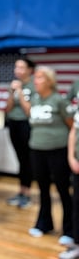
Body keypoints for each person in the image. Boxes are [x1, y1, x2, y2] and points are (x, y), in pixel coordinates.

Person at [26, 66, 74, 247]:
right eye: (35, 78)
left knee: (62, 189)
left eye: (39, 78)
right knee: (43, 188)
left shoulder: (59, 100)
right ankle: (44, 223)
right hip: (37, 149)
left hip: (57, 151)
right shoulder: (36, 99)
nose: (35, 81)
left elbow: (71, 125)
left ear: (49, 81)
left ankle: (69, 229)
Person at [4, 57, 35, 208]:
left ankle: (27, 192)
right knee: (20, 158)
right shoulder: (14, 85)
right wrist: (12, 93)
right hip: (13, 123)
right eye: (16, 67)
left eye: (22, 67)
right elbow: (8, 109)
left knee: (26, 159)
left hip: (27, 124)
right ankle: (21, 191)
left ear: (30, 70)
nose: (18, 71)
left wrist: (21, 92)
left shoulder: (33, 85)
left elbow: (30, 111)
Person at [62, 104, 79, 259]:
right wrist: (71, 157)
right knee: (77, 203)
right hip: (77, 164)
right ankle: (77, 243)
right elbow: (74, 130)